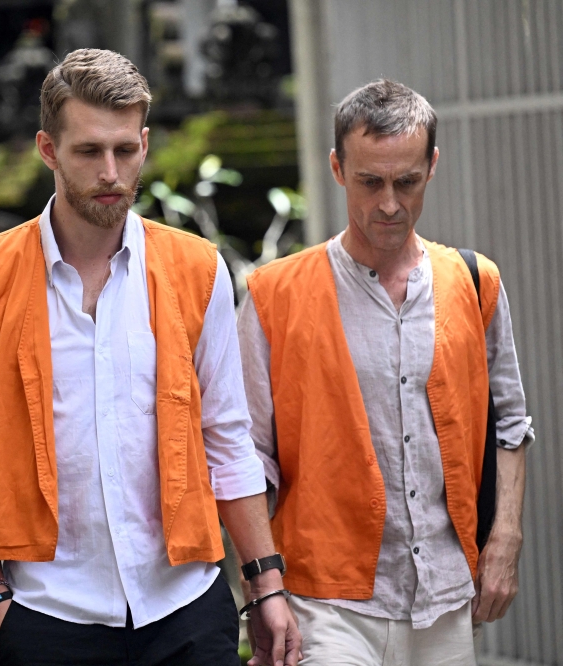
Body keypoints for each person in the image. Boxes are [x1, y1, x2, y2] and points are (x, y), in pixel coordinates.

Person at [0, 49, 301, 666]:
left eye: (125, 150)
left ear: (145, 144)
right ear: (48, 149)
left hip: (185, 605)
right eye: (88, 151)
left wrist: (264, 583)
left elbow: (228, 438)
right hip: (48, 613)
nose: (111, 171)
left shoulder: (197, 269)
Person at [237, 80, 533, 664]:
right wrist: (263, 586)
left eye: (407, 182)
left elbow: (512, 422)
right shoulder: (273, 295)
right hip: (325, 599)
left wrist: (504, 539)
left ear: (432, 166)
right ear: (338, 168)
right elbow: (244, 457)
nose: (389, 204)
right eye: (370, 182)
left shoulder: (475, 281)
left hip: (446, 595)